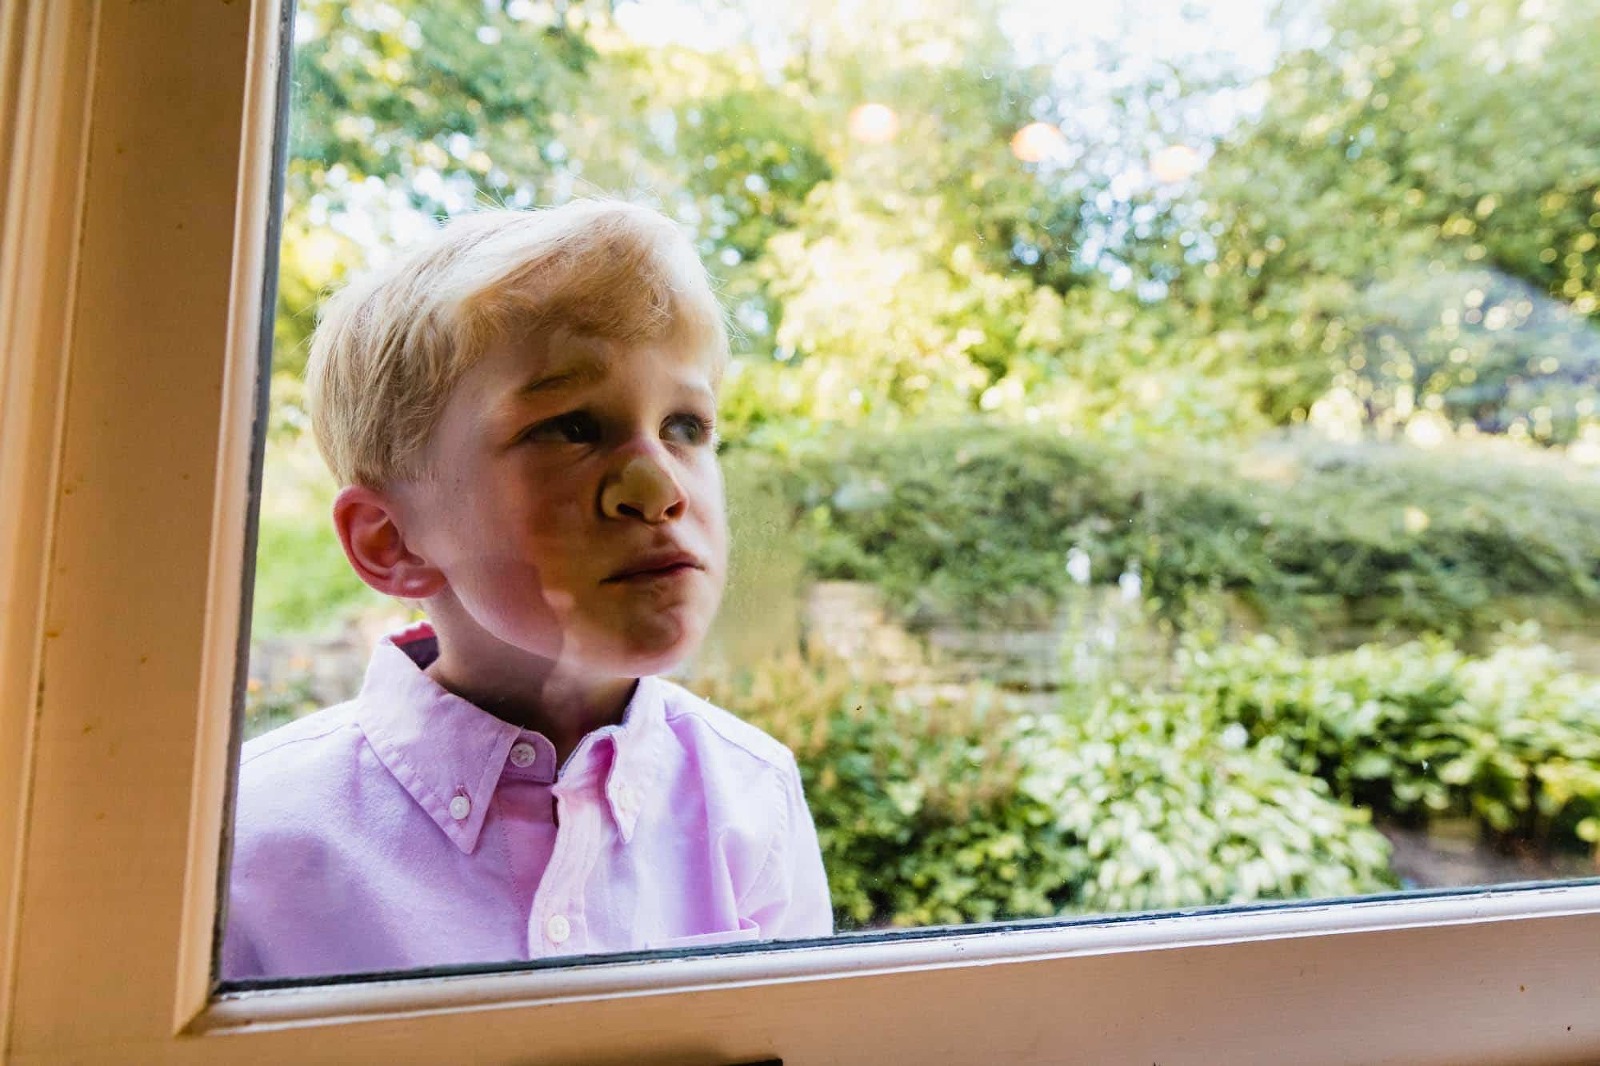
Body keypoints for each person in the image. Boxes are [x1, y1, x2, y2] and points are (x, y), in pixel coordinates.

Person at [223, 200, 833, 981]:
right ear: (393, 541)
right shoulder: (250, 841)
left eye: (685, 425)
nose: (658, 487)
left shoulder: (752, 796)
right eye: (570, 426)